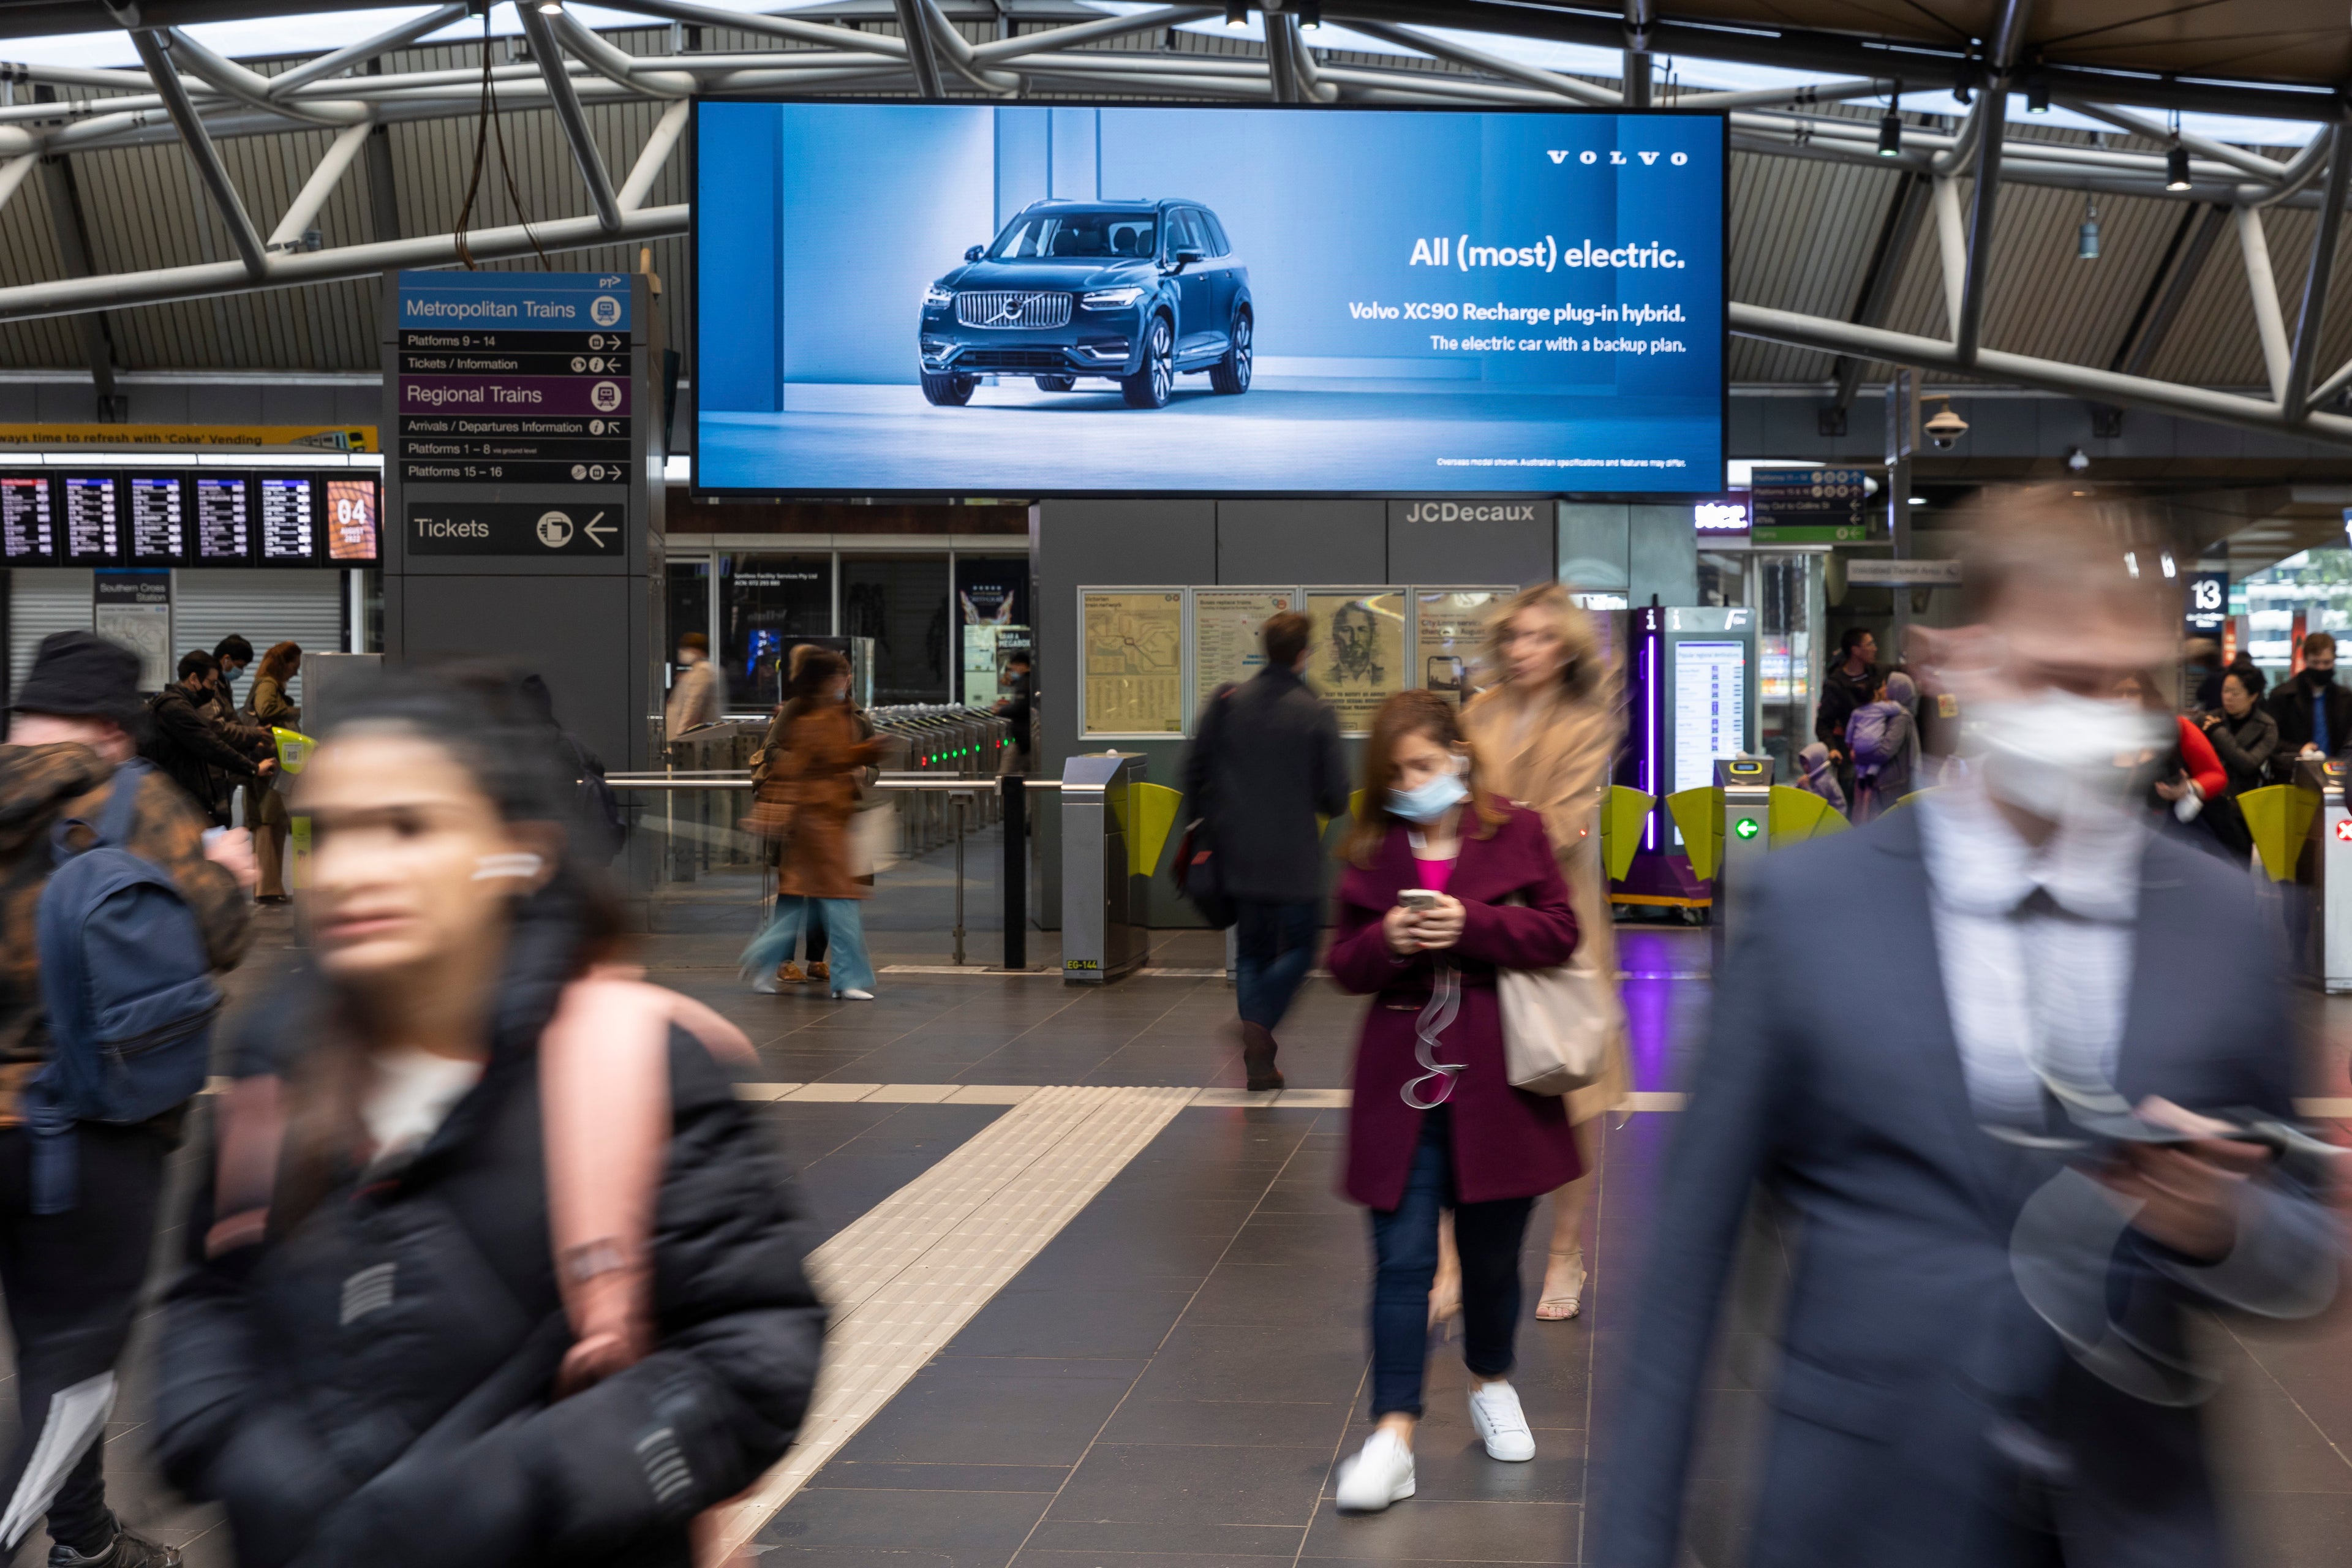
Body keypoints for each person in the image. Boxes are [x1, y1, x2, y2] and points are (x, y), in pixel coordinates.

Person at [1597, 486, 2340, 1568]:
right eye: (2055, 675)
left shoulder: (2223, 920)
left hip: (2142, 1518)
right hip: (1864, 1514)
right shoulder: (1811, 915)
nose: (2093, 711)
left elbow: (2307, 1252)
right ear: (1961, 659)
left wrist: (2225, 1221)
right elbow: (1684, 1279)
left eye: (2124, 683)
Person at [151, 669, 821, 1568]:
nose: (353, 868)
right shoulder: (279, 1060)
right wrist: (235, 1448)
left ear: (519, 853)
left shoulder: (636, 1064)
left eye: (408, 826)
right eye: (334, 831)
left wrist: (531, 1486)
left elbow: (755, 1350)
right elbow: (209, 1296)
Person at [0, 631, 256, 1568]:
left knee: (51, 1351)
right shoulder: (131, 798)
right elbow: (215, 939)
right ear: (113, 726)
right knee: (72, 1362)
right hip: (89, 1131)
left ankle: (85, 1538)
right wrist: (229, 878)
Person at [1326, 691, 1581, 1515]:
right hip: (1399, 1087)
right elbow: (1342, 963)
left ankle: (1491, 1380)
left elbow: (1559, 931)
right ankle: (1393, 1433)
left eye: (1426, 766)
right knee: (1401, 1263)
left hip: (1498, 1085)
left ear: (1458, 759)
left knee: (1496, 1261)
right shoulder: (1369, 847)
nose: (1412, 782)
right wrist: (1387, 941)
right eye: (1397, 772)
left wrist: (1471, 924)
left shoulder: (1517, 831)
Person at [1457, 582, 1629, 1322]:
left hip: (1559, 919)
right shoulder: (1477, 712)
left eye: (1541, 637)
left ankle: (1566, 1250)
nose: (1525, 650)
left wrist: (1486, 827)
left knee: (1569, 1086)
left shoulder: (1587, 719)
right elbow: (1453, 799)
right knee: (1466, 1080)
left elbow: (1564, 823)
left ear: (1565, 647)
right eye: (1516, 637)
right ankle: (1454, 1261)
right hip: (1480, 916)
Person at [1178, 611, 1349, 1091]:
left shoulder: (1229, 701)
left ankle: (1259, 1059)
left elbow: (1193, 770)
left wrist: (1204, 825)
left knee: (1251, 950)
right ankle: (1258, 1026)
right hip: (1293, 858)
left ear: (1264, 647)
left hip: (1237, 854)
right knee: (1301, 948)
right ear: (1302, 654)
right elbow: (1336, 796)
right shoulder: (1315, 710)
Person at [742, 650, 883, 1000]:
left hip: (831, 823)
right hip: (814, 825)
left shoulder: (841, 715)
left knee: (831, 902)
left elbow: (833, 759)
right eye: (837, 675)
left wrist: (865, 758)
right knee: (829, 902)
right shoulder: (809, 718)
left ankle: (769, 963)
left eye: (846, 675)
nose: (843, 682)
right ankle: (838, 977)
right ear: (823, 680)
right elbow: (793, 763)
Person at [143, 651, 272, 827]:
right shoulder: (176, 708)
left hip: (178, 797)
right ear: (194, 679)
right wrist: (253, 768)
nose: (213, 690)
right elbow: (211, 745)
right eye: (212, 683)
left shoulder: (179, 705)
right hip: (179, 801)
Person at [243, 641, 300, 902]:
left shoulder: (269, 684)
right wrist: (294, 710)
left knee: (274, 821)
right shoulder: (268, 685)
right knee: (267, 821)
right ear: (283, 663)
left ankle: (272, 887)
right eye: (294, 666)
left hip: (273, 760)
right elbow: (266, 710)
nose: (296, 673)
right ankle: (267, 888)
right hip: (268, 762)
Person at [2198, 665, 2274, 861]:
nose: (2228, 697)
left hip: (2242, 810)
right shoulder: (2207, 719)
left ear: (2253, 696)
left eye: (2235, 693)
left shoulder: (2267, 727)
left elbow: (2249, 763)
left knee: (2238, 869)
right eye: (2225, 691)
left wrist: (2219, 734)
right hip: (2208, 806)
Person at [2264, 630, 2352, 777]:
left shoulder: (2345, 698)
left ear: (2334, 660)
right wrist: (2299, 749)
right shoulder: (2283, 696)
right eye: (2315, 663)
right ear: (2306, 660)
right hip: (2293, 773)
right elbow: (2270, 741)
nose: (2321, 668)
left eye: (2326, 663)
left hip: (2337, 773)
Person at [1845, 669, 1920, 823]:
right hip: (1886, 786)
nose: (1883, 689)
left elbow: (1885, 752)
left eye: (1887, 686)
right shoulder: (1890, 714)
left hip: (1890, 788)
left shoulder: (1900, 718)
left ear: (1896, 690)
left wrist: (1859, 754)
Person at [1815, 627, 1879, 802]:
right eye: (1870, 644)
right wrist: (1832, 748)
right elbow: (1823, 723)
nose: (1875, 648)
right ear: (1856, 650)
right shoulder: (1835, 685)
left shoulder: (1877, 673)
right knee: (1851, 799)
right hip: (1850, 754)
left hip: (1879, 752)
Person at [664, 631, 726, 738]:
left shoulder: (703, 671)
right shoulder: (695, 671)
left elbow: (693, 706)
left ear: (697, 650)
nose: (682, 652)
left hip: (689, 741)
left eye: (686, 648)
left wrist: (681, 736)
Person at [992, 650, 1034, 774]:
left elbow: (1021, 708)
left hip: (1022, 741)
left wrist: (1000, 710)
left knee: (1004, 775)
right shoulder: (1027, 682)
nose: (1012, 670)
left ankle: (1002, 791)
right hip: (1026, 740)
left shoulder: (1025, 683)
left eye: (1014, 666)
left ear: (1023, 666)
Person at [1793, 741, 1849, 816]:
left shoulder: (1823, 781)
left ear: (1816, 762)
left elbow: (1817, 804)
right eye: (1803, 763)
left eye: (1807, 763)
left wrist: (1805, 787)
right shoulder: (1817, 777)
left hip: (1835, 818)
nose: (1804, 767)